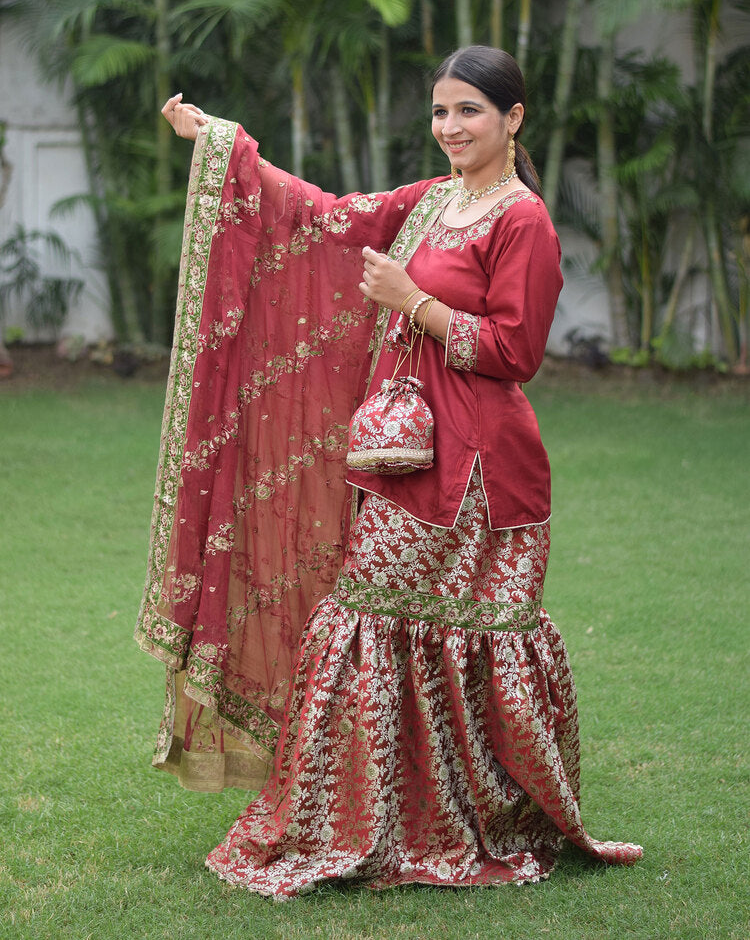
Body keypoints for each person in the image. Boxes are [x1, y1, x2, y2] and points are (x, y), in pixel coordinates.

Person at [136, 46, 642, 900]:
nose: (450, 127)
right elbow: (329, 216)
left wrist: (415, 303)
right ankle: (376, 818)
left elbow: (517, 352)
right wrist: (219, 144)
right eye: (441, 111)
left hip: (477, 472)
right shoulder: (433, 201)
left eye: (469, 111)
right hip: (401, 453)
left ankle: (458, 819)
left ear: (514, 119)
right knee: (371, 623)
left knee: (387, 621)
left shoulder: (523, 220)